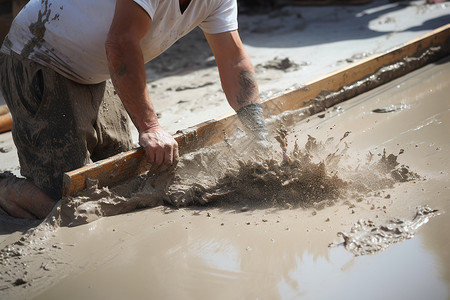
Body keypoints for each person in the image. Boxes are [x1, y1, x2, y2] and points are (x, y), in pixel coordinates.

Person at [0, 0, 268, 219]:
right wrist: (150, 127)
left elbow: (233, 60)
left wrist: (259, 135)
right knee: (68, 206)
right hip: (40, 56)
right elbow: (120, 43)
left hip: (99, 71)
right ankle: (5, 189)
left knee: (122, 180)